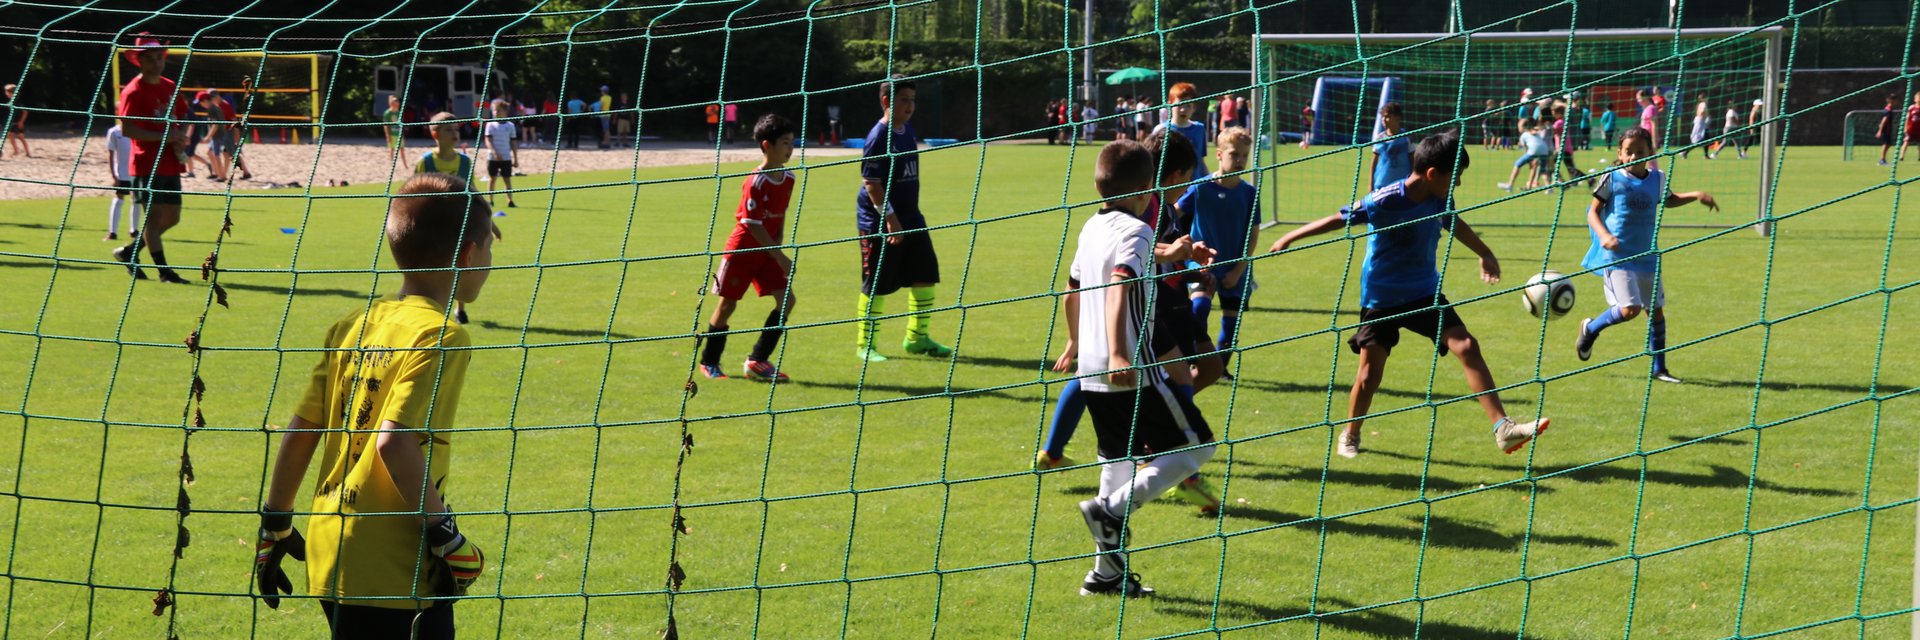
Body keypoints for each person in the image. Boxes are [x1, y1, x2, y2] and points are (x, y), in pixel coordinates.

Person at [252, 172, 491, 638]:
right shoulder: (441, 335)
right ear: (468, 254)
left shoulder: (354, 324)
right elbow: (393, 443)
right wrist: (447, 537)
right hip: (395, 564)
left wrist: (276, 521)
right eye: (489, 249)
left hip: (329, 547)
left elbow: (302, 429)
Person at [1268, 130, 1549, 459]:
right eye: (1455, 176)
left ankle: (1503, 428)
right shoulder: (1384, 200)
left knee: (1466, 346)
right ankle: (1351, 432)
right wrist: (1289, 237)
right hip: (1382, 298)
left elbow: (1453, 222)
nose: (1458, 183)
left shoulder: (1440, 199)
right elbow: (1338, 219)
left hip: (1423, 292)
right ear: (1432, 174)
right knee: (1369, 375)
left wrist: (1484, 253)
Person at [1060, 139, 1216, 598]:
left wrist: (1075, 341)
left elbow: (1072, 288)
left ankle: (1104, 575)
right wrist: (1118, 352)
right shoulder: (1139, 230)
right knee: (1197, 446)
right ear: (1149, 189)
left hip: (1091, 371)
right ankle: (1111, 512)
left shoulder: (1092, 226)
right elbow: (1120, 284)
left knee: (1117, 465)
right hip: (1130, 366)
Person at [1574, 126, 1719, 384]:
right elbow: (1593, 212)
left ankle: (1660, 369)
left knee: (1656, 312)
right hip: (1618, 258)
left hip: (1648, 257)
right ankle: (1591, 328)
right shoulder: (1612, 177)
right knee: (1630, 310)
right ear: (1620, 153)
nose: (1634, 157)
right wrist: (1605, 236)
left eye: (1640, 151)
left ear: (1650, 152)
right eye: (1628, 152)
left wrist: (1696, 195)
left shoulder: (1657, 179)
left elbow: (1669, 199)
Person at [854, 75, 953, 361]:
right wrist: (890, 219)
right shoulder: (878, 137)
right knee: (876, 284)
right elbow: (871, 183)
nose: (910, 106)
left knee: (925, 275)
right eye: (904, 100)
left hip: (911, 217)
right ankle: (865, 346)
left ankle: (917, 339)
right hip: (880, 222)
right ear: (886, 101)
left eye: (913, 100)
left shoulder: (906, 130)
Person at [699, 114, 800, 382]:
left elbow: (780, 215)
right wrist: (780, 256)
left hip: (768, 251)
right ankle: (709, 362)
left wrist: (778, 246)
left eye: (792, 142)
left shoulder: (789, 178)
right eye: (785, 142)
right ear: (767, 145)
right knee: (727, 305)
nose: (790, 148)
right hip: (742, 251)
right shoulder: (756, 180)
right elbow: (753, 225)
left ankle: (757, 361)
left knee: (787, 300)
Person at [111, 34, 193, 284]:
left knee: (172, 217)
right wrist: (165, 137)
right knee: (153, 217)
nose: (157, 63)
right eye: (150, 59)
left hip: (171, 161)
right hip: (147, 162)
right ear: (139, 61)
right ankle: (164, 272)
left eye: (160, 57)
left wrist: (182, 136)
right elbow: (128, 129)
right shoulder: (133, 91)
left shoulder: (169, 85)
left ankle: (129, 252)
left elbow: (184, 115)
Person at [1175, 127, 1258, 371]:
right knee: (1199, 307)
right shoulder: (1200, 188)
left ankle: (1220, 370)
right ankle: (1194, 361)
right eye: (1234, 154)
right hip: (1201, 263)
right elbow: (1173, 213)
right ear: (1219, 154)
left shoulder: (1249, 193)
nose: (1240, 160)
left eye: (1244, 155)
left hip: (1235, 268)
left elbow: (1253, 235)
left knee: (1231, 324)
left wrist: (1238, 270)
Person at [414, 112, 480, 324]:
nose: (454, 133)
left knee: (461, 266)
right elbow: (414, 193)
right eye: (448, 129)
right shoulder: (425, 162)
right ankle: (433, 309)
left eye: (456, 129)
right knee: (435, 270)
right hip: (433, 226)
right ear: (435, 134)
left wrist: (488, 218)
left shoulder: (465, 162)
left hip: (460, 223)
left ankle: (460, 309)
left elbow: (473, 191)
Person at [1153, 82, 1210, 178]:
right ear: (1170, 105)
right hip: (1172, 185)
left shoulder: (1199, 129)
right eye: (1179, 105)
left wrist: (1209, 179)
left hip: (1196, 185)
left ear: (1194, 107)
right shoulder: (1161, 130)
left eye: (1188, 105)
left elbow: (1201, 161)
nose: (1183, 110)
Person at [104, 123, 142, 241]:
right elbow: (110, 154)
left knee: (136, 201)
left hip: (136, 172)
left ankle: (134, 230)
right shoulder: (114, 132)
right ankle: (112, 232)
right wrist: (114, 176)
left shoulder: (138, 129)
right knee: (119, 200)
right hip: (121, 173)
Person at [480, 102, 517, 209]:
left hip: (506, 157)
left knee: (507, 179)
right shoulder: (490, 124)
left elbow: (513, 142)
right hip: (492, 158)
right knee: (492, 179)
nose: (495, 112)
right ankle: (490, 200)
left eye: (498, 110)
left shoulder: (510, 126)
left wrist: (515, 158)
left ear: (505, 111)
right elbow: (488, 140)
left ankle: (510, 200)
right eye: (494, 110)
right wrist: (494, 152)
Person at [1497, 118, 1549, 192]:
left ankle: (1510, 185)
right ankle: (1549, 188)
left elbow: (1526, 150)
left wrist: (1529, 161)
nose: (1518, 128)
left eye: (1519, 126)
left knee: (1517, 164)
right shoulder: (1535, 132)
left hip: (1534, 150)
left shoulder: (1524, 135)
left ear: (1523, 127)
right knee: (1543, 170)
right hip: (1544, 150)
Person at [1371, 102, 1410, 190]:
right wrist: (1371, 184)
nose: (1384, 119)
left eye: (1387, 116)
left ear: (1397, 118)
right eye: (1382, 117)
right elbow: (1374, 162)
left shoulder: (1406, 137)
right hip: (1382, 184)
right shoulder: (1380, 138)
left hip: (1402, 184)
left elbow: (1412, 160)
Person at [1551, 103, 1589, 186]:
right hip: (1567, 147)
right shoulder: (1564, 121)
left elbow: (1551, 131)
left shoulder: (1558, 123)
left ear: (1559, 113)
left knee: (1550, 163)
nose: (1553, 115)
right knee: (1570, 168)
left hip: (1562, 148)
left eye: (1554, 113)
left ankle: (1562, 182)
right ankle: (1588, 179)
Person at [200, 91, 232, 181]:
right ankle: (217, 173)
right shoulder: (216, 107)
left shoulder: (212, 109)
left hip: (218, 135)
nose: (200, 105)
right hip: (220, 134)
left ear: (205, 101)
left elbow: (215, 125)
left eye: (201, 102)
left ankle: (221, 176)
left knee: (217, 155)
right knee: (210, 153)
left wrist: (208, 137)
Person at [4, 83, 29, 158]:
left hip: (17, 122)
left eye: (7, 92)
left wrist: (21, 122)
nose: (6, 94)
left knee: (21, 137)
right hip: (12, 122)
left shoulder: (16, 102)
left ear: (13, 93)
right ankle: (16, 151)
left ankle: (27, 152)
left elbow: (25, 112)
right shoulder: (11, 101)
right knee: (10, 135)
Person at [382, 94, 406, 164]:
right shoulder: (387, 113)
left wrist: (403, 135)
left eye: (397, 101)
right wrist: (388, 136)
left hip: (399, 134)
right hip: (392, 134)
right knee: (392, 149)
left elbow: (401, 125)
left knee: (402, 149)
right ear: (392, 103)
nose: (398, 103)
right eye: (396, 101)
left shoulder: (399, 113)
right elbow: (386, 126)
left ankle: (405, 165)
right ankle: (391, 163)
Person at [1877, 94, 1897, 165]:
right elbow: (1883, 121)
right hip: (1886, 130)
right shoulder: (1888, 110)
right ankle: (1882, 160)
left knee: (1888, 144)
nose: (1896, 101)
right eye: (1895, 100)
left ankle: (1882, 159)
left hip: (1887, 130)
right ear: (1892, 100)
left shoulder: (1888, 109)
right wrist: (1880, 131)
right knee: (1886, 144)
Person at [1899, 92, 1920, 163]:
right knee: (1906, 142)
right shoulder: (1911, 108)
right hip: (1911, 129)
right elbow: (1907, 118)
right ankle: (1901, 156)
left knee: (1919, 143)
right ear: (1915, 99)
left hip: (1919, 130)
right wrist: (1905, 128)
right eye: (1918, 98)